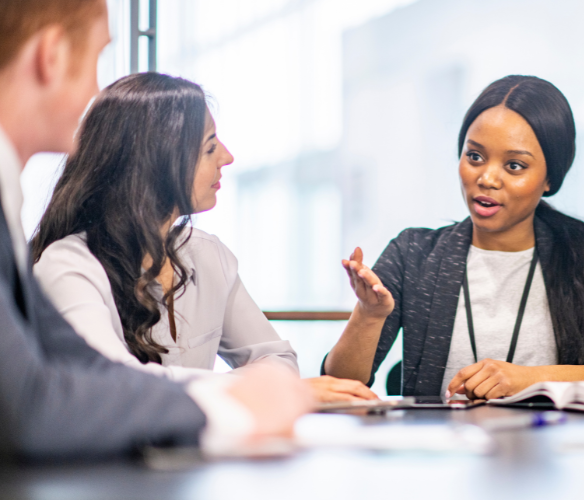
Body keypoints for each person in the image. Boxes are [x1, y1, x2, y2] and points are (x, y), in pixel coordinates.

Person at [0, 0, 310, 460]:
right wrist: (236, 406)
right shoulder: (67, 260)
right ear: (52, 56)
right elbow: (30, 406)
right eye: (97, 60)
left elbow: (91, 370)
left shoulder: (10, 206)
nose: (95, 92)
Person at [29, 72, 377, 402]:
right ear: (157, 161)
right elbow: (112, 384)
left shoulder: (208, 256)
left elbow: (278, 360)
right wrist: (254, 391)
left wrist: (256, 390)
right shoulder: (69, 265)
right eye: (210, 147)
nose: (227, 157)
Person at [322, 75, 584, 399]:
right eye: (474, 156)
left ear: (550, 178)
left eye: (514, 166)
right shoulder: (413, 254)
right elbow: (339, 384)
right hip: (439, 459)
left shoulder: (583, 257)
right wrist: (368, 315)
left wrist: (533, 378)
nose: (487, 179)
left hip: (553, 458)